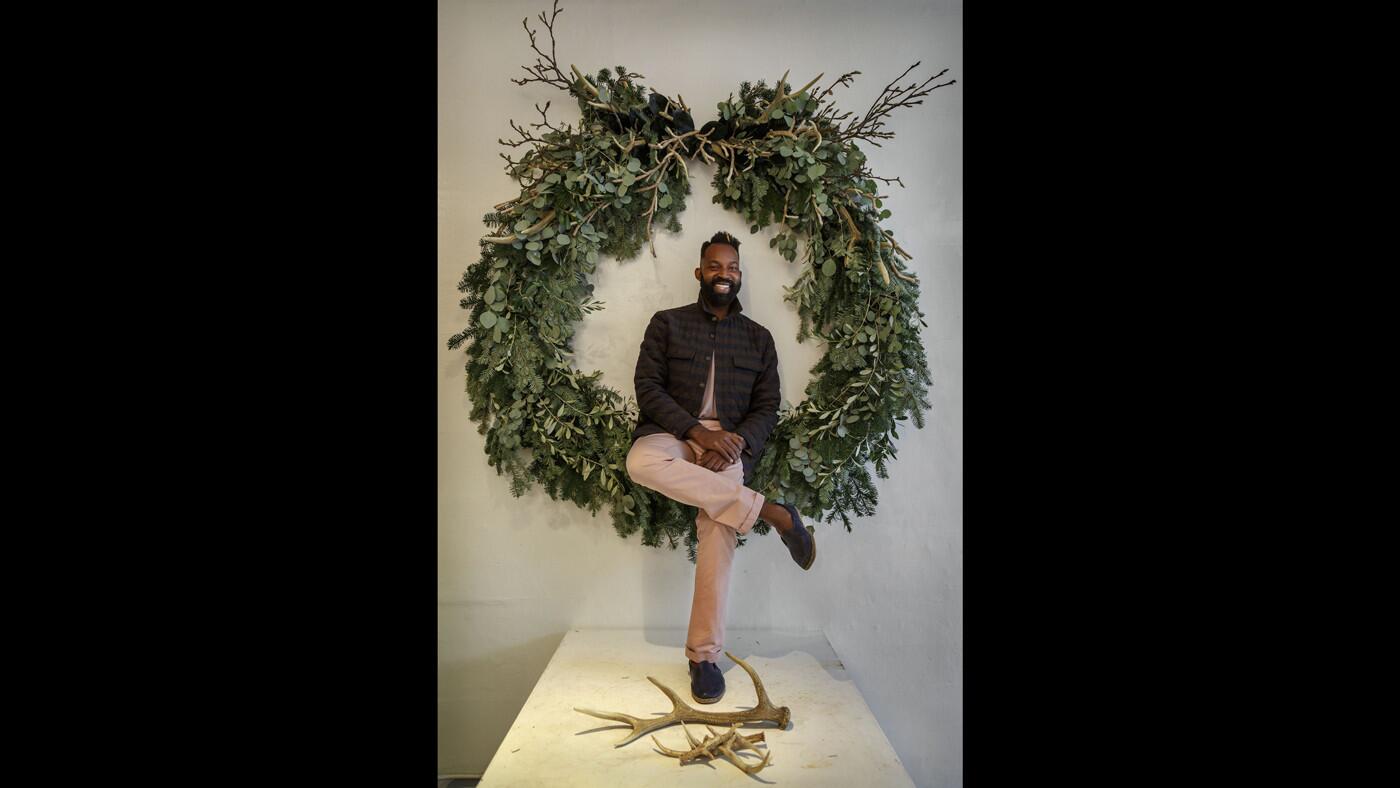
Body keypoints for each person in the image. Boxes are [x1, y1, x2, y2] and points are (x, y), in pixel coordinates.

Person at [624, 230, 816, 705]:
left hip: (730, 446)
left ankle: (704, 656)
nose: (724, 275)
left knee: (717, 525)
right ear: (699, 272)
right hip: (675, 434)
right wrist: (696, 432)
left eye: (731, 268)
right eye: (715, 266)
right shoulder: (667, 324)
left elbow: (767, 406)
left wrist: (735, 443)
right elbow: (648, 388)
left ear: (740, 275)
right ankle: (773, 513)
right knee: (640, 460)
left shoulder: (758, 338)